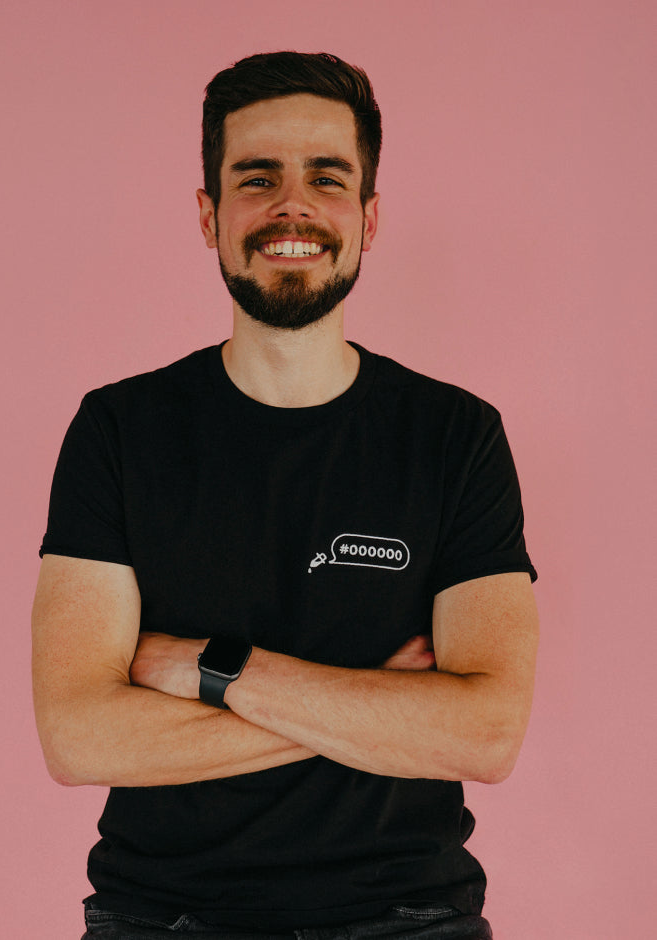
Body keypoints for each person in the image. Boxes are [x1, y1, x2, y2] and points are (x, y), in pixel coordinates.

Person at [32, 51, 539, 940]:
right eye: (257, 179)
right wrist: (376, 712)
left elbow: (486, 735)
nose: (291, 207)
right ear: (210, 216)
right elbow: (78, 739)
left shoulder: (456, 435)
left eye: (327, 179)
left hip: (407, 917)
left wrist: (213, 671)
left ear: (368, 218)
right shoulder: (119, 430)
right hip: (164, 916)